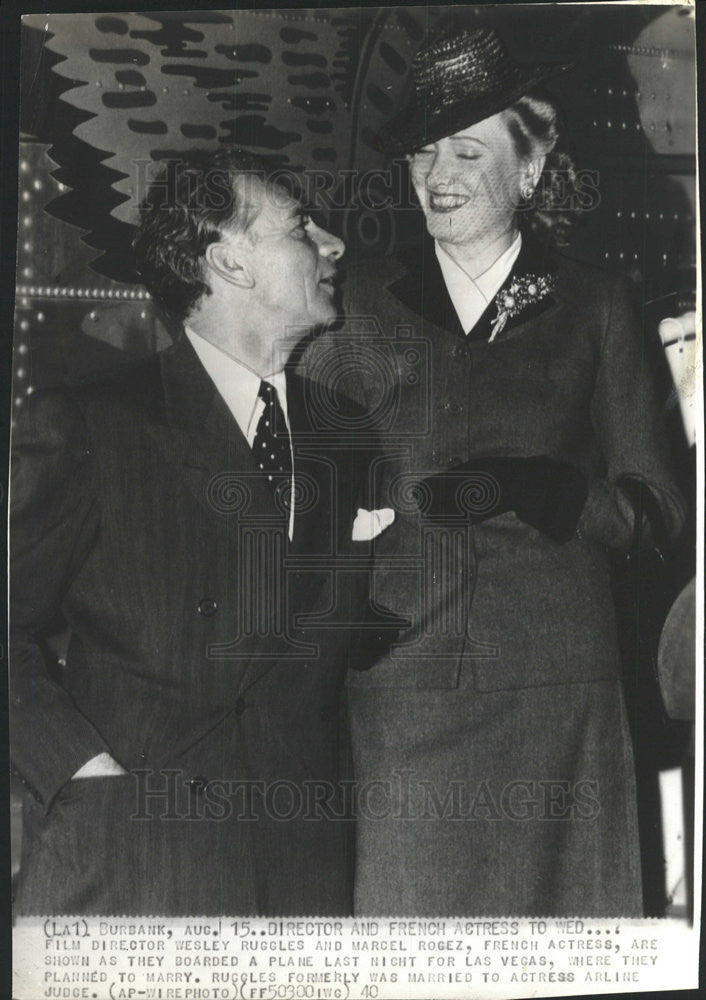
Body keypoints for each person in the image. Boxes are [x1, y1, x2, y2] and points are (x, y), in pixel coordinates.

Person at [302, 25, 685, 916]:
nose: (438, 174)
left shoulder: (595, 306)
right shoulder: (353, 307)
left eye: (468, 150)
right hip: (403, 693)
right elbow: (292, 489)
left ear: (532, 167)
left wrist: (558, 494)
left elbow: (659, 513)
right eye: (423, 152)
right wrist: (332, 607)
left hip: (559, 698)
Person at [10, 146, 397, 916]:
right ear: (230, 264)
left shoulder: (346, 437)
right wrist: (80, 772)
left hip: (301, 883)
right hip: (131, 872)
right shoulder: (95, 423)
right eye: (300, 227)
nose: (333, 244)